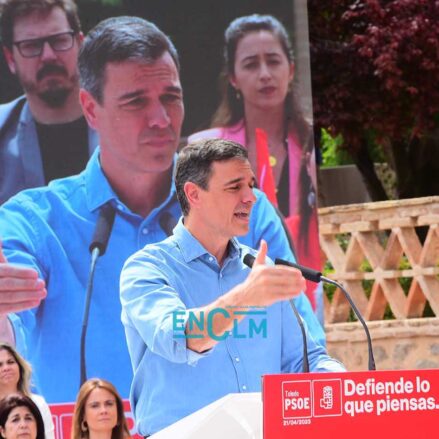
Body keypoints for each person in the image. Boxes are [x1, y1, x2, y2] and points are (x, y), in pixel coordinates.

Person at [0, 15, 323, 405]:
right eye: (136, 101)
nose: (161, 119)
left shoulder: (248, 210)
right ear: (90, 108)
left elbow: (306, 355)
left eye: (171, 97)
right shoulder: (33, 222)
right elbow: (7, 342)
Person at [120, 139, 345, 435]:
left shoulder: (258, 271)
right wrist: (246, 297)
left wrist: (352, 389)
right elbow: (183, 336)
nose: (250, 197)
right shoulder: (147, 268)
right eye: (234, 187)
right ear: (194, 194)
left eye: (251, 185)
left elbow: (303, 361)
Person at [189, 14, 322, 310]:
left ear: (291, 70)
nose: (265, 74)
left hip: (313, 301)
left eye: (273, 61)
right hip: (234, 306)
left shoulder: (315, 143)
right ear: (233, 78)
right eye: (251, 64)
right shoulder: (203, 149)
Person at [0, 0, 98, 204]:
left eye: (60, 40)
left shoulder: (125, 122)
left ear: (80, 45)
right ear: (10, 58)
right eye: (31, 45)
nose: (48, 56)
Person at [0, 344, 53, 439]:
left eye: (10, 362)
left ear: (20, 368)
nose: (6, 368)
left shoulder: (38, 403)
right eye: (0, 365)